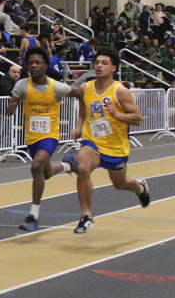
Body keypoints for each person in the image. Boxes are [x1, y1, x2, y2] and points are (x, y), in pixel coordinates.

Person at [63, 48, 150, 234]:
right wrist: (78, 126)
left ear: (113, 68)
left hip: (116, 146)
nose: (99, 66)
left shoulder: (120, 91)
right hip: (92, 141)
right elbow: (83, 109)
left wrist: (116, 114)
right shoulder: (86, 88)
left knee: (120, 184)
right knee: (83, 169)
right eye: (97, 62)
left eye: (104, 63)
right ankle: (86, 216)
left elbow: (137, 118)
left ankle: (139, 188)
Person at [6, 48, 82, 231]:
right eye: (30, 62)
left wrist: (80, 123)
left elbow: (81, 94)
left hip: (50, 135)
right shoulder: (22, 85)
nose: (33, 65)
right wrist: (12, 105)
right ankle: (68, 165)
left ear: (46, 66)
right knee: (45, 172)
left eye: (38, 62)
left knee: (36, 166)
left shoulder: (56, 87)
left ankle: (33, 215)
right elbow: (10, 110)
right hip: (32, 137)